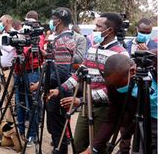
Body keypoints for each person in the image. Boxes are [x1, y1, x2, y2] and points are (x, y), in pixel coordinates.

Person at [48, 13, 129, 153]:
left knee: (96, 149)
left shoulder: (121, 55)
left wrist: (81, 100)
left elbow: (114, 90)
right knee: (78, 145)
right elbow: (79, 74)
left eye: (98, 26)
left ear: (109, 30)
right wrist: (60, 89)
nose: (95, 29)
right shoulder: (93, 48)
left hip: (105, 110)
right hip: (87, 106)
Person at [81, 53, 157, 154]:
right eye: (114, 86)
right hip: (147, 121)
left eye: (120, 85)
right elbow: (111, 120)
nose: (118, 89)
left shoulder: (153, 63)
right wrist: (93, 148)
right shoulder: (114, 84)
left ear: (132, 71)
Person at [30, 7, 77, 153]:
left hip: (58, 91)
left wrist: (41, 84)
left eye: (54, 18)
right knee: (55, 127)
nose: (52, 21)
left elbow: (61, 72)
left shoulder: (63, 40)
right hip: (57, 89)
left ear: (60, 21)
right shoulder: (64, 38)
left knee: (57, 129)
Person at [14, 10, 45, 147]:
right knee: (19, 101)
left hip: (32, 71)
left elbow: (32, 50)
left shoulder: (39, 34)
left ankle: (32, 134)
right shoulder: (22, 32)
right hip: (19, 70)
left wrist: (25, 40)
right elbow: (17, 49)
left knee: (31, 103)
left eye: (29, 23)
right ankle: (20, 130)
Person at [0, 14, 16, 122]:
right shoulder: (2, 35)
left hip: (9, 69)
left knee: (8, 95)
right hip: (1, 69)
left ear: (7, 21)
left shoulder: (14, 34)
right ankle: (3, 118)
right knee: (2, 94)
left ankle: (8, 121)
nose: (0, 23)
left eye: (1, 21)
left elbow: (10, 49)